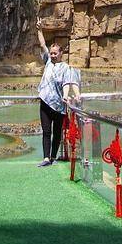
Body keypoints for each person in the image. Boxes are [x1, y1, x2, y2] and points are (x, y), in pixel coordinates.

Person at [36, 18, 77, 167]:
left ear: (61, 54)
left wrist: (66, 96)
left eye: (55, 53)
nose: (52, 55)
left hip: (59, 104)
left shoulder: (65, 67)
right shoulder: (47, 61)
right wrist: (39, 30)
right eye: (51, 53)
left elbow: (67, 83)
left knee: (57, 132)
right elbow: (42, 44)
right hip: (45, 102)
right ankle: (46, 158)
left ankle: (53, 157)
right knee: (46, 131)